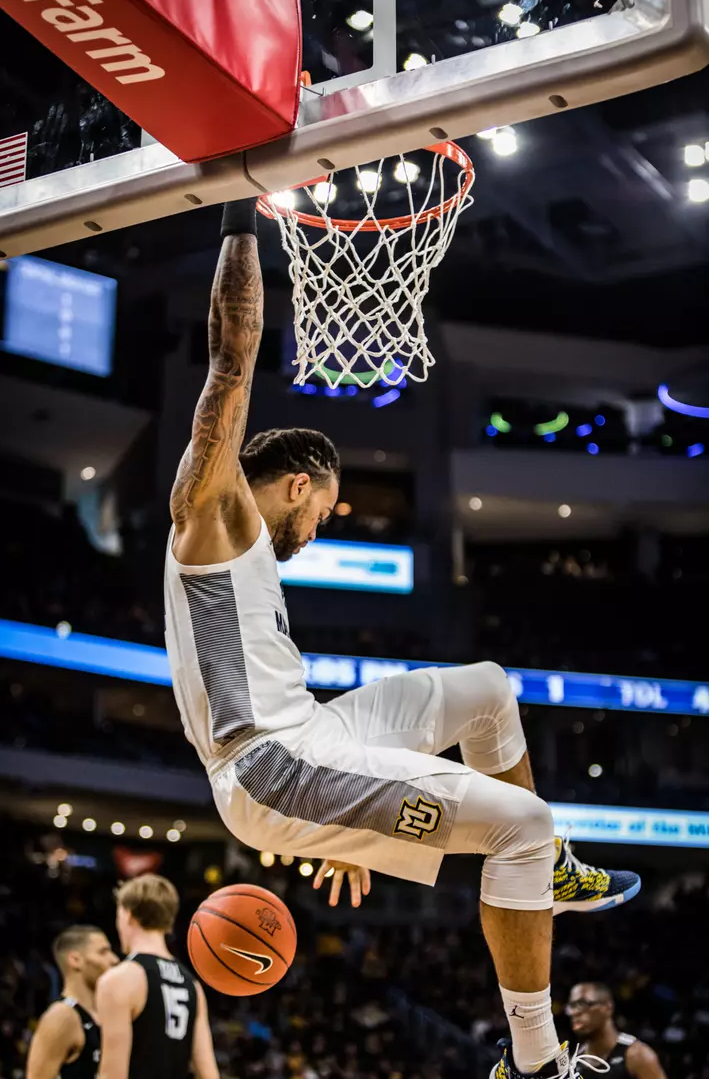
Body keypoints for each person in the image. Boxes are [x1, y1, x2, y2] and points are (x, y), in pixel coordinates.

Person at [164, 198, 642, 1079]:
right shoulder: (213, 513)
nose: (325, 522)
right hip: (270, 764)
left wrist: (343, 829)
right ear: (297, 486)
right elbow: (230, 361)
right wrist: (237, 208)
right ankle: (535, 1062)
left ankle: (557, 872)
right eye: (329, 504)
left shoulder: (254, 556)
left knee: (489, 687)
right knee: (521, 824)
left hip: (311, 739)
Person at [95, 874, 218, 1079]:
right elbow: (209, 1074)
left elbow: (112, 1075)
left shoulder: (119, 980)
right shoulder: (192, 985)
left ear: (127, 915)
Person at [27, 926, 118, 1079]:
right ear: (75, 960)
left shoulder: (111, 1014)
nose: (114, 959)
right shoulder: (61, 1016)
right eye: (103, 952)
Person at [567, 983, 667, 1079]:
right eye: (572, 1006)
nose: (575, 1012)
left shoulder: (637, 1056)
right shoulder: (575, 1061)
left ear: (607, 1008)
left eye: (583, 1004)